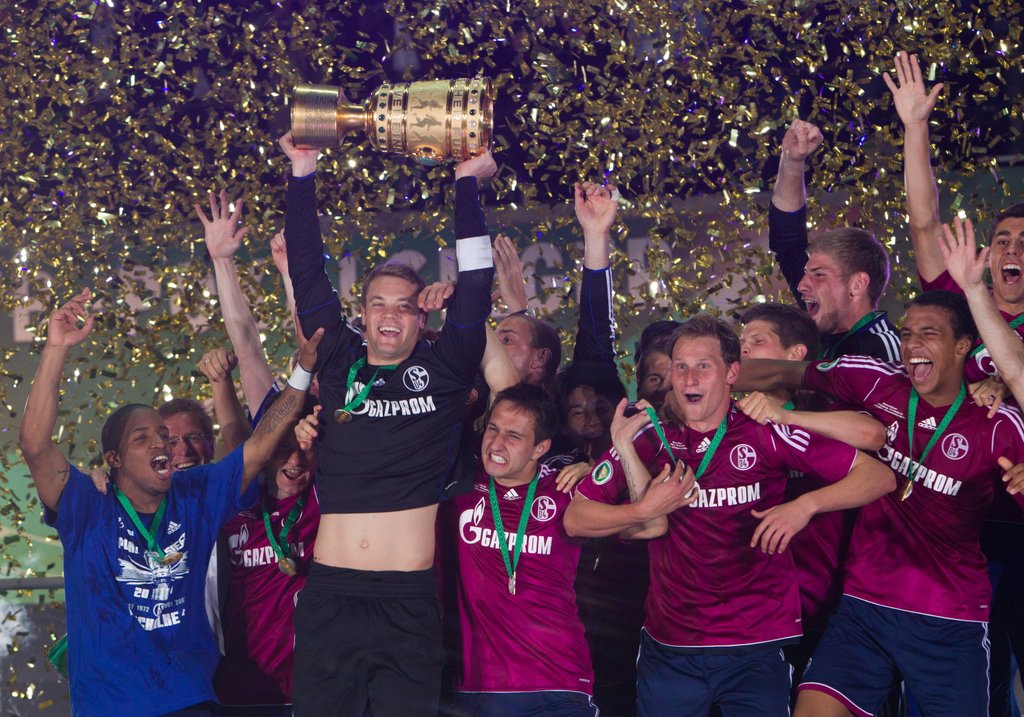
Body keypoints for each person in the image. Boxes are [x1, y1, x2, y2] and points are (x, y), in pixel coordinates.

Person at [564, 315, 895, 717]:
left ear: (732, 373)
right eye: (681, 366)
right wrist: (643, 510)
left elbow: (878, 476)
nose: (689, 379)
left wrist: (804, 506)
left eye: (704, 366)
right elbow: (575, 518)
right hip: (672, 647)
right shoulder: (649, 436)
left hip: (755, 645)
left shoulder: (764, 430)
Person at [18, 287, 320, 717]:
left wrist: (303, 371)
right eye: (142, 438)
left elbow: (258, 446)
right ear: (114, 459)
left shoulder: (195, 494)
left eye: (163, 435)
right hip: (110, 707)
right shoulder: (86, 504)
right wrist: (55, 348)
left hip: (189, 699)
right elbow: (34, 444)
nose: (162, 443)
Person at [279, 131, 497, 717]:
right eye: (378, 303)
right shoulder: (338, 359)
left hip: (407, 601)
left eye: (404, 305)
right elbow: (307, 274)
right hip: (330, 594)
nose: (390, 314)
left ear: (420, 316)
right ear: (362, 313)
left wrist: (466, 185)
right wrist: (303, 172)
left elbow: (477, 284)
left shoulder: (446, 369)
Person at [737, 289, 1024, 717]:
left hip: (949, 619)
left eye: (929, 333)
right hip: (863, 609)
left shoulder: (996, 422)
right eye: (906, 333)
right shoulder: (873, 379)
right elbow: (783, 371)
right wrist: (701, 384)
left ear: (963, 345)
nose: (912, 345)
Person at [887, 51, 1024, 716]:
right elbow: (923, 222)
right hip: (953, 524)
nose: (1013, 251)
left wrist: (1006, 390)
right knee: (969, 680)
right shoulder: (962, 304)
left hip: (1017, 521)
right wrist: (915, 127)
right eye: (1003, 240)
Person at [442, 383, 598, 717]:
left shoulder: (566, 488)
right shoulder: (462, 484)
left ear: (540, 447)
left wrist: (595, 469)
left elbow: (648, 525)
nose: (496, 444)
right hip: (478, 685)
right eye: (493, 429)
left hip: (558, 682)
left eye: (513, 436)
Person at [768, 119, 901, 362]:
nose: (802, 285)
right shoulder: (822, 323)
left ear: (857, 285)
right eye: (807, 273)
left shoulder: (885, 351)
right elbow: (787, 243)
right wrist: (792, 162)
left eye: (819, 274)